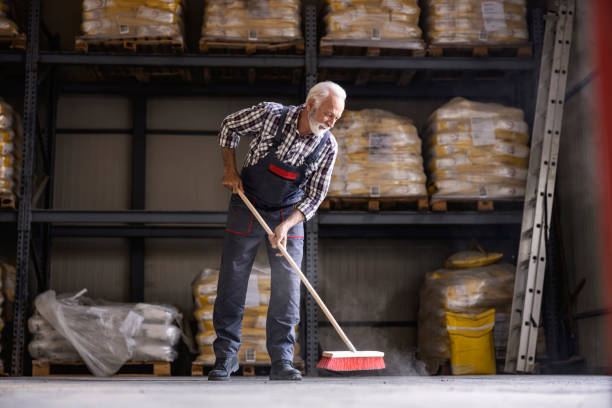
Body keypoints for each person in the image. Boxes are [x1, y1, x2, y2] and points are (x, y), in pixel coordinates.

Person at [208, 81, 346, 381]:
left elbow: (315, 196)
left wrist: (286, 224)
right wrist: (230, 170)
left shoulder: (328, 145)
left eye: (337, 117)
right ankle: (226, 357)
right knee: (233, 277)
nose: (332, 123)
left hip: (289, 212)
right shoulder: (271, 115)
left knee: (288, 286)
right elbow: (229, 127)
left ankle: (282, 361)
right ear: (310, 105)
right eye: (328, 114)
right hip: (248, 204)